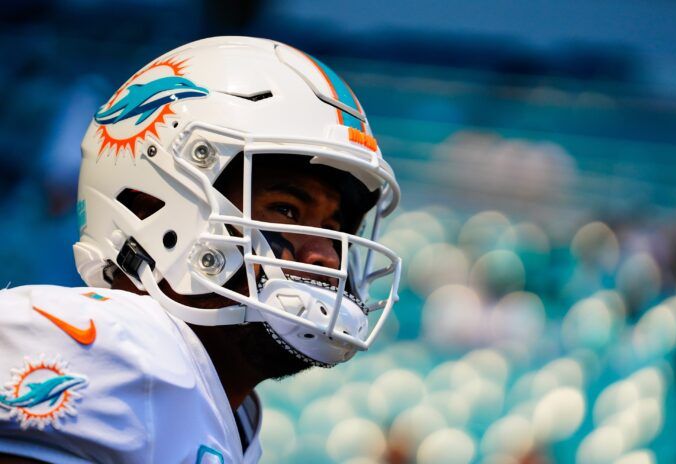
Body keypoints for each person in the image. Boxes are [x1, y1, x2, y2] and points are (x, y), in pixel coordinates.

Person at [0, 36, 401, 463]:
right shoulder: (107, 347)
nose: (327, 256)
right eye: (286, 209)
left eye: (332, 227)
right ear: (147, 206)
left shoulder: (227, 412)